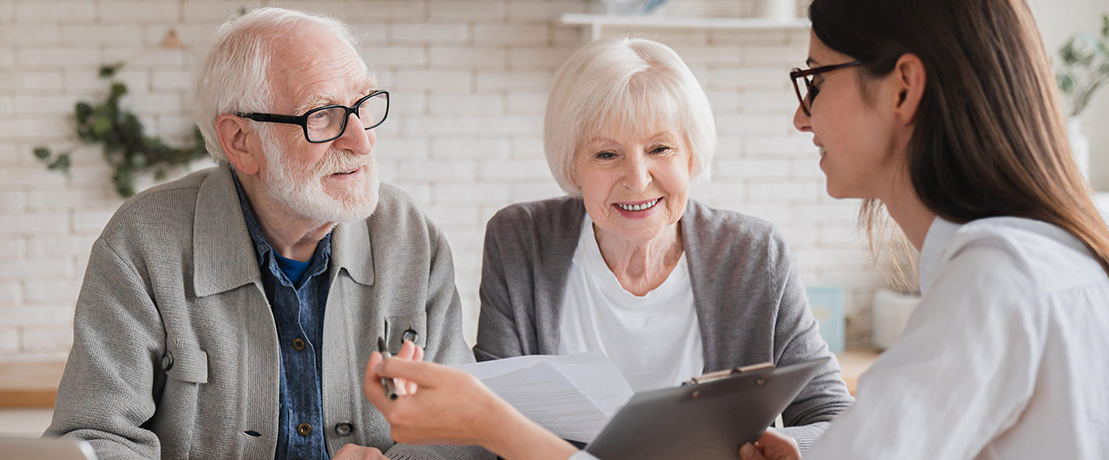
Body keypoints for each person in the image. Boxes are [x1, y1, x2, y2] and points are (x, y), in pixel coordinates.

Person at [363, 0, 1109, 459]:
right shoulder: (1047, 263)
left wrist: (487, 421)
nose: (800, 114)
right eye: (607, 154)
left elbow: (841, 425)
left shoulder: (994, 282)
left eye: (814, 80)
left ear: (904, 88)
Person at [45, 7, 484, 460]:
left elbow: (465, 428)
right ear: (240, 141)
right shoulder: (143, 241)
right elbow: (93, 439)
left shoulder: (410, 235)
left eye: (362, 105)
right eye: (322, 115)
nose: (361, 140)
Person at [473, 35, 852, 449]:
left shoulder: (756, 253)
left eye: (659, 148)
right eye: (606, 154)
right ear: (572, 165)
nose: (637, 179)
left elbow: (830, 412)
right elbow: (491, 415)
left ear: (690, 157)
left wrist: (788, 448)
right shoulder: (520, 240)